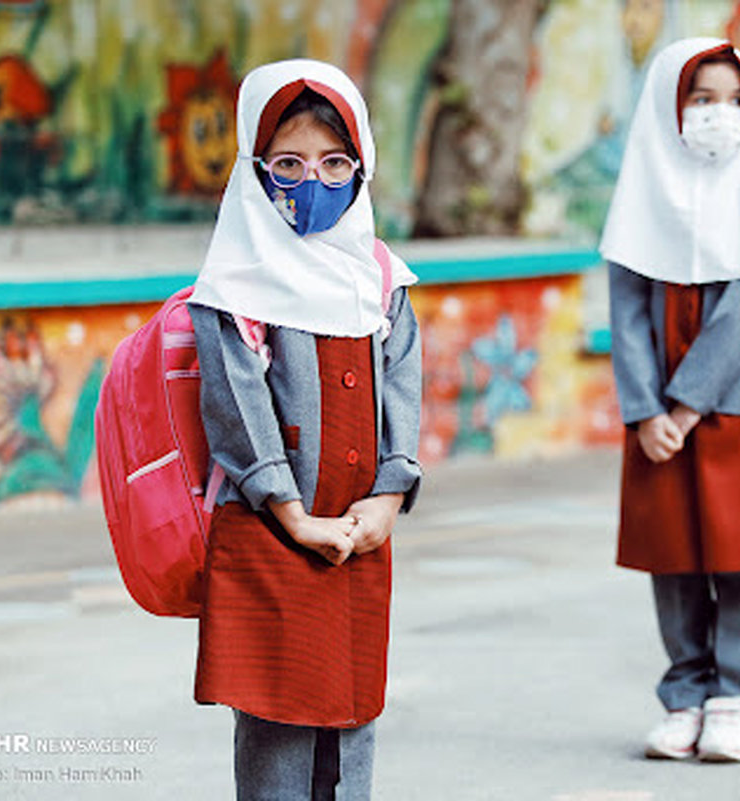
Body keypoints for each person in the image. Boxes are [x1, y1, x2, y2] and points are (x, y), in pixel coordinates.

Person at [187, 59, 422, 800]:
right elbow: (236, 405)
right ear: (255, 170)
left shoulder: (380, 276)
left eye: (333, 163)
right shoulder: (236, 281)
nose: (310, 182)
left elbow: (403, 384)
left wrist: (389, 493)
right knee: (277, 708)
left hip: (359, 531)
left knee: (351, 703)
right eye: (287, 164)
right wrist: (292, 514)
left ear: (362, 169)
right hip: (270, 531)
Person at [600, 38, 740, 763]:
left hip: (739, 401)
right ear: (670, 107)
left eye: (734, 100)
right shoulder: (641, 191)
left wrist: (685, 405)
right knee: (674, 555)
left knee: (738, 551)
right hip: (656, 411)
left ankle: (734, 694)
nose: (719, 114)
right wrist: (644, 410)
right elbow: (627, 311)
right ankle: (684, 692)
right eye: (701, 99)